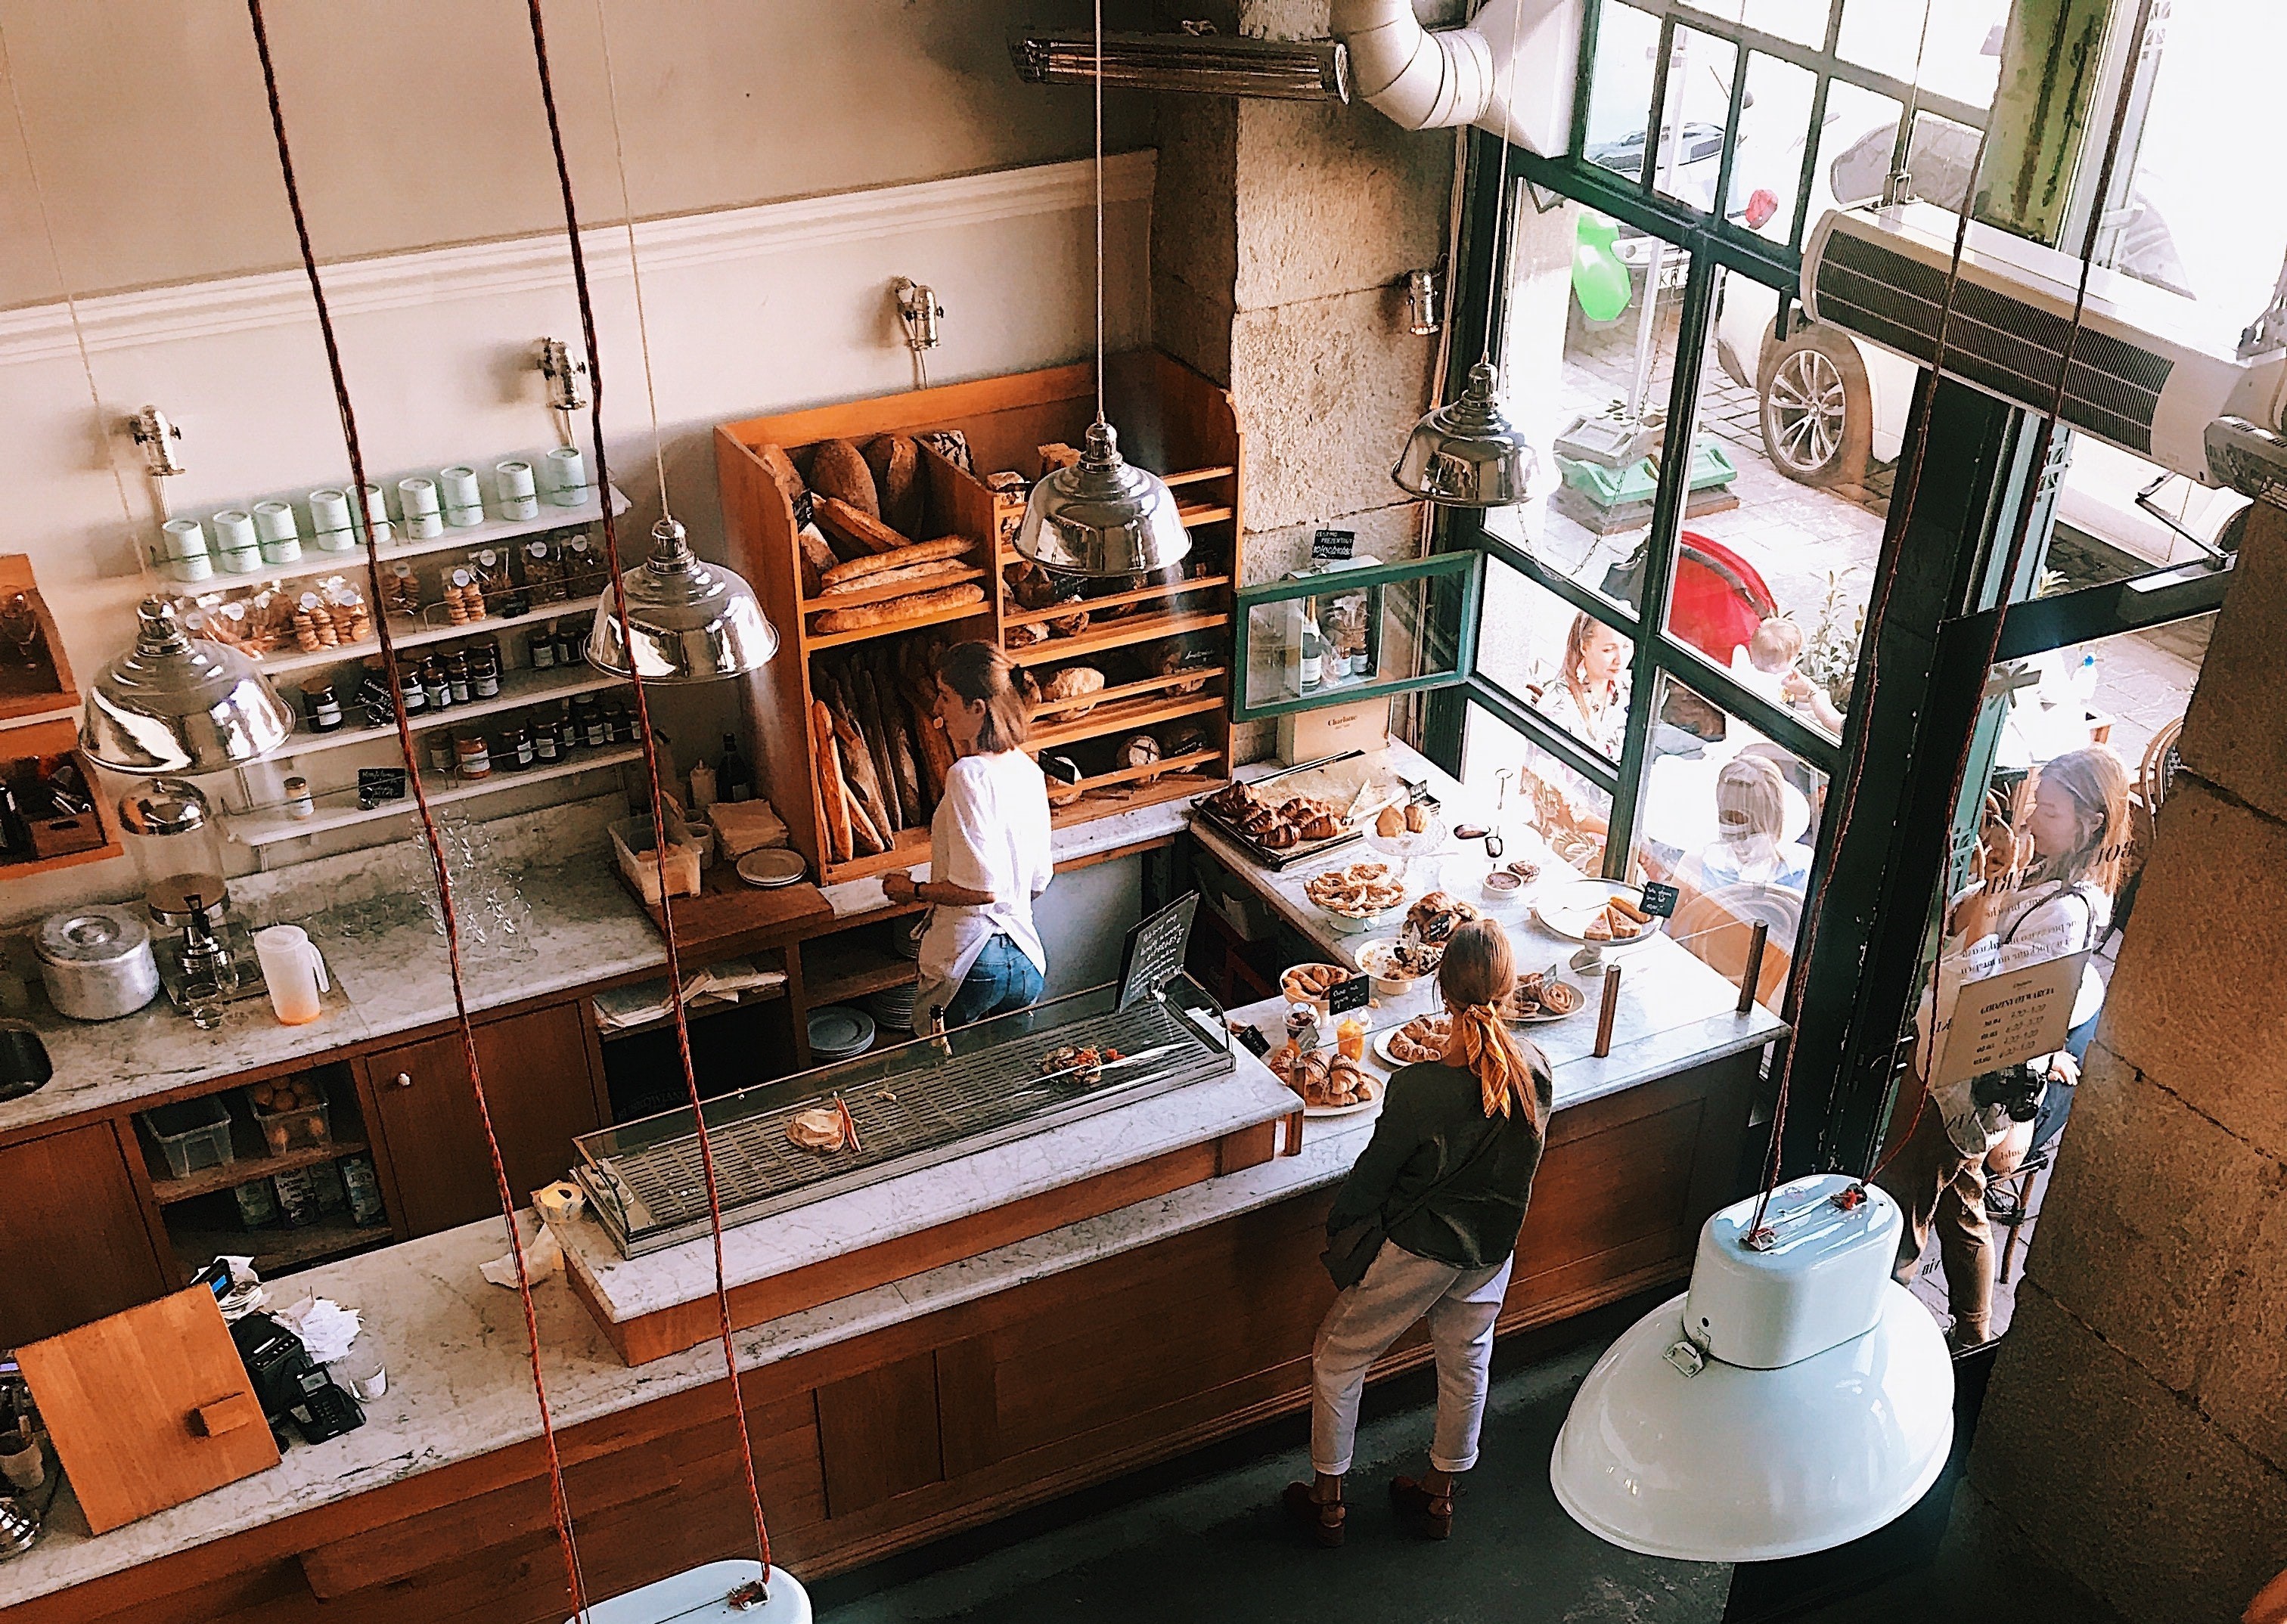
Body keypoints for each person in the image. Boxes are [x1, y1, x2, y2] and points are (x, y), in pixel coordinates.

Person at [1286, 919, 1555, 1546]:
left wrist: (1340, 1228)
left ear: (1442, 993)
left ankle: (1328, 1502)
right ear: (1511, 989)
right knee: (1466, 1362)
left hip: (1420, 1250)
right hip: (1492, 1250)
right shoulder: (1536, 1069)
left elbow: (1373, 1178)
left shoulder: (1418, 1089)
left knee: (1338, 1357)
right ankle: (1439, 1498)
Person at [1875, 745, 2130, 1346]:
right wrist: (1992, 882)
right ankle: (1974, 1328)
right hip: (1945, 1053)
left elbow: (1991, 995)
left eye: (2052, 812)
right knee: (1962, 1196)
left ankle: (1881, 1321)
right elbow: (1958, 921)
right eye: (2037, 804)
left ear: (2091, 823)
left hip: (1966, 1070)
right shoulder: (2039, 868)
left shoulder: (2070, 911)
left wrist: (1985, 921)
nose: (2035, 819)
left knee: (1903, 1197)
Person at [882, 642, 1052, 1033]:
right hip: (1026, 959)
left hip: (974, 961)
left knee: (944, 1079)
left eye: (946, 697)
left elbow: (981, 890)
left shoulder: (967, 775)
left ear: (977, 708)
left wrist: (913, 890)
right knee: (1007, 1078)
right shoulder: (1028, 770)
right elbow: (1039, 881)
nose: (938, 710)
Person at [1669, 755, 1812, 896]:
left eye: (1747, 821)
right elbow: (1669, 916)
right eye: (1730, 817)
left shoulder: (1800, 871)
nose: (1743, 837)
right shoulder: (1698, 863)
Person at [1536, 611, 1631, 761]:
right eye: (1608, 650)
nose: (1620, 660)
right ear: (1584, 647)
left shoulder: (1627, 686)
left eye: (1626, 647)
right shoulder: (1557, 702)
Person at [1731, 616, 1845, 734]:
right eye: (1794, 657)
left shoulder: (1747, 672)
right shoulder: (1778, 683)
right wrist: (1816, 698)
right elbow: (1787, 708)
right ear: (1776, 666)